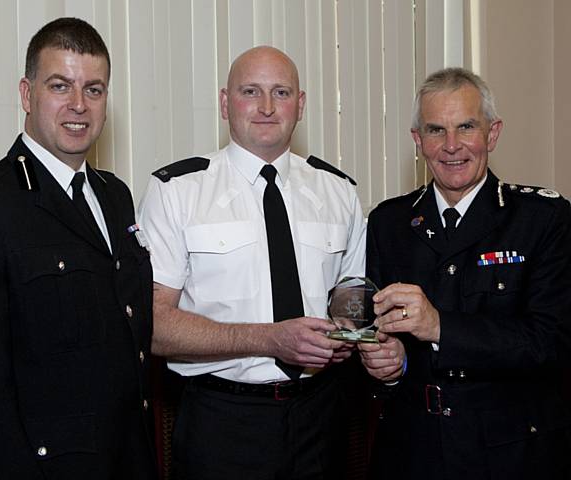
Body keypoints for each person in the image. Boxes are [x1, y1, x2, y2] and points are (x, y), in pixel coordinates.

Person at [138, 46, 393, 479]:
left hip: (322, 417)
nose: (268, 107)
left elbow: (351, 296)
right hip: (221, 420)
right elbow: (154, 327)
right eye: (250, 91)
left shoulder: (338, 192)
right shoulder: (177, 192)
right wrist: (270, 339)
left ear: (302, 105)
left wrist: (349, 334)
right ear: (224, 103)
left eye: (282, 92)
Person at [0, 18, 157, 479]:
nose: (79, 105)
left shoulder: (115, 197)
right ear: (26, 94)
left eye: (94, 89)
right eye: (61, 86)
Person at [359, 67, 571, 479]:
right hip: (410, 450)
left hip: (510, 453)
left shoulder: (543, 220)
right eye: (436, 130)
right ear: (418, 141)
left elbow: (553, 342)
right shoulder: (389, 223)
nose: (452, 146)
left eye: (466, 127)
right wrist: (385, 367)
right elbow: (371, 336)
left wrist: (441, 327)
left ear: (492, 134)